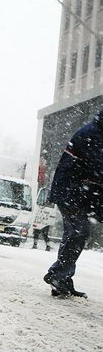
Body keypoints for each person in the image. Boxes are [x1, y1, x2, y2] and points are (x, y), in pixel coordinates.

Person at [43, 109, 103, 298]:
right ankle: (59, 275)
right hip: (70, 191)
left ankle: (61, 277)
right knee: (78, 231)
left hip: (79, 193)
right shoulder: (92, 134)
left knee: (76, 233)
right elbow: (98, 168)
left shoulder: (97, 133)